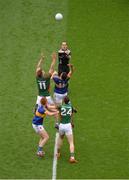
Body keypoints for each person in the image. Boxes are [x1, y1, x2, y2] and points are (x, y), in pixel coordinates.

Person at [56, 96, 77, 163]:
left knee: (60, 138)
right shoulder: (71, 107)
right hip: (68, 125)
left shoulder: (61, 107)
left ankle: (58, 153)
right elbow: (74, 112)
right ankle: (72, 157)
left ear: (64, 101)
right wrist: (72, 123)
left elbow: (57, 109)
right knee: (71, 142)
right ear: (69, 101)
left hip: (61, 125)